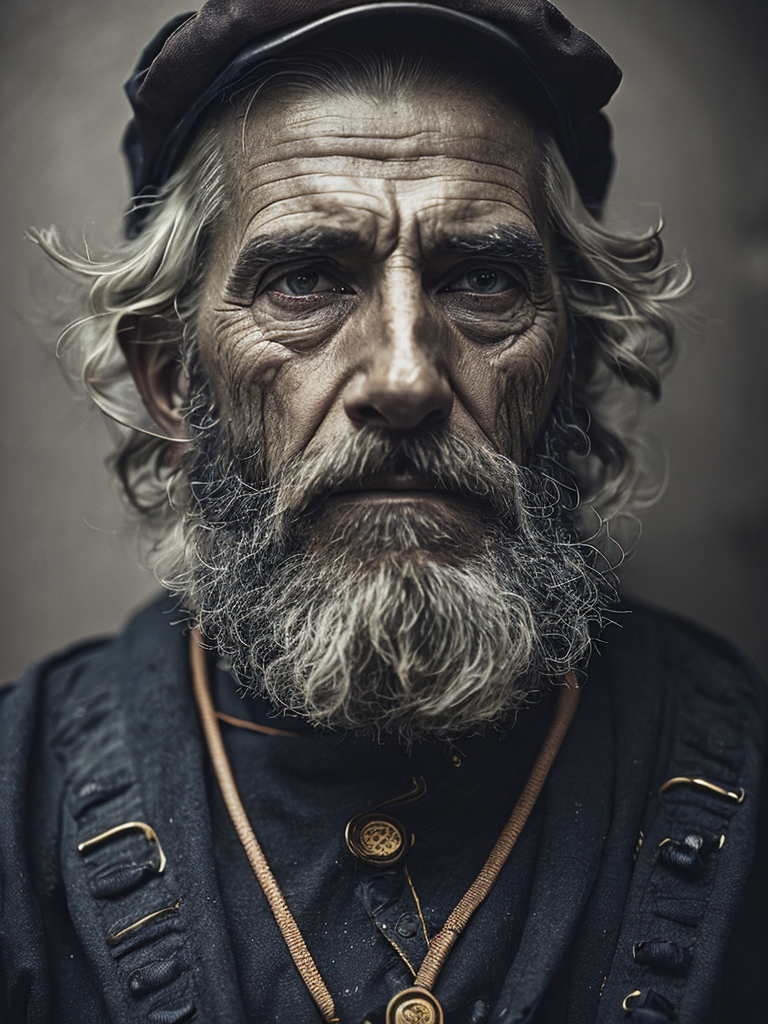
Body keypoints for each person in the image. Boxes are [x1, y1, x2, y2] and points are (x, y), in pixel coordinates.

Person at [0, 2, 765, 1022]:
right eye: (307, 280)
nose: (405, 378)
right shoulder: (16, 812)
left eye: (484, 281)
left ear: (575, 366)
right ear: (175, 379)